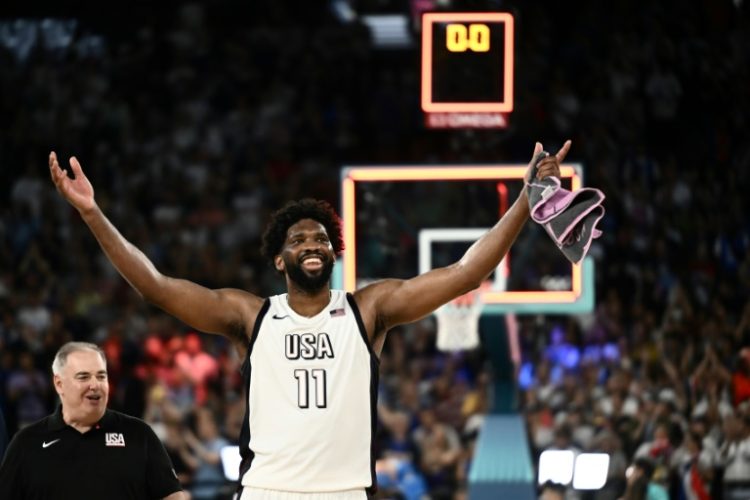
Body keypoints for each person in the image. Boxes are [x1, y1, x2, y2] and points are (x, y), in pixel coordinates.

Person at [47, 140, 569, 499]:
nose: (312, 244)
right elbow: (154, 287)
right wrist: (94, 214)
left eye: (320, 238)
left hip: (346, 489)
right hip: (266, 489)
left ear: (333, 252)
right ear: (280, 259)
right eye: (299, 239)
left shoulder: (369, 309)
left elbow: (465, 272)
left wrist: (524, 200)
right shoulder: (250, 316)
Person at [0, 341, 186, 499]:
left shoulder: (139, 434)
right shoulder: (26, 443)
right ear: (59, 384)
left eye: (101, 376)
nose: (95, 385)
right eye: (84, 377)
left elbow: (172, 496)